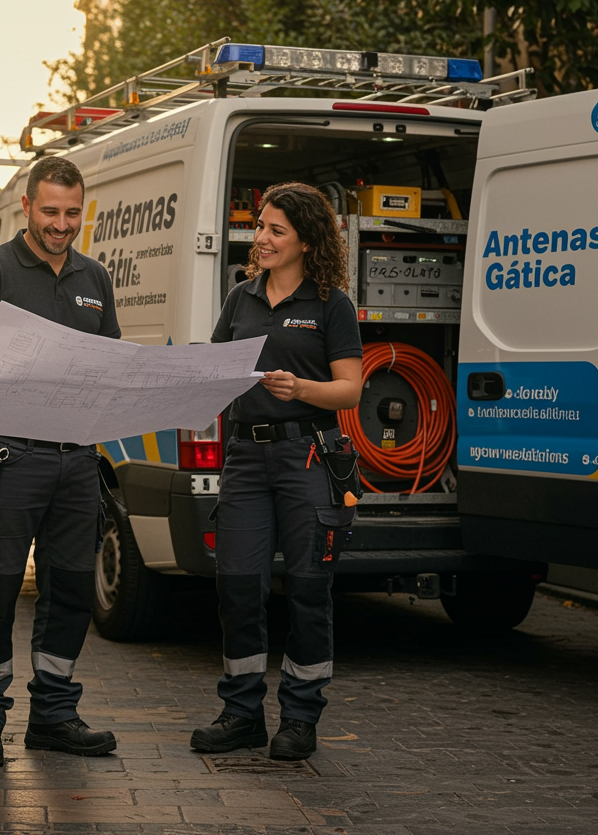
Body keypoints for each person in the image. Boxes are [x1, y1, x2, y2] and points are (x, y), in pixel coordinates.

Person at [0, 156, 121, 767]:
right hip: (10, 457)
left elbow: (108, 362)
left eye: (73, 213)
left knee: (70, 588)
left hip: (76, 461)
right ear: (26, 206)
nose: (62, 224)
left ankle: (53, 714)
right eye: (50, 212)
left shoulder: (95, 279)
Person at [190, 182, 363, 761]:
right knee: (237, 585)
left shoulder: (330, 303)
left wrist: (301, 388)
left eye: (275, 230)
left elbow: (351, 390)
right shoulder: (241, 298)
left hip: (307, 456)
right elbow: (215, 369)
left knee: (310, 588)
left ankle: (300, 716)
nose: (260, 238)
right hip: (244, 457)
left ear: (307, 241)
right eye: (260, 226)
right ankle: (241, 714)